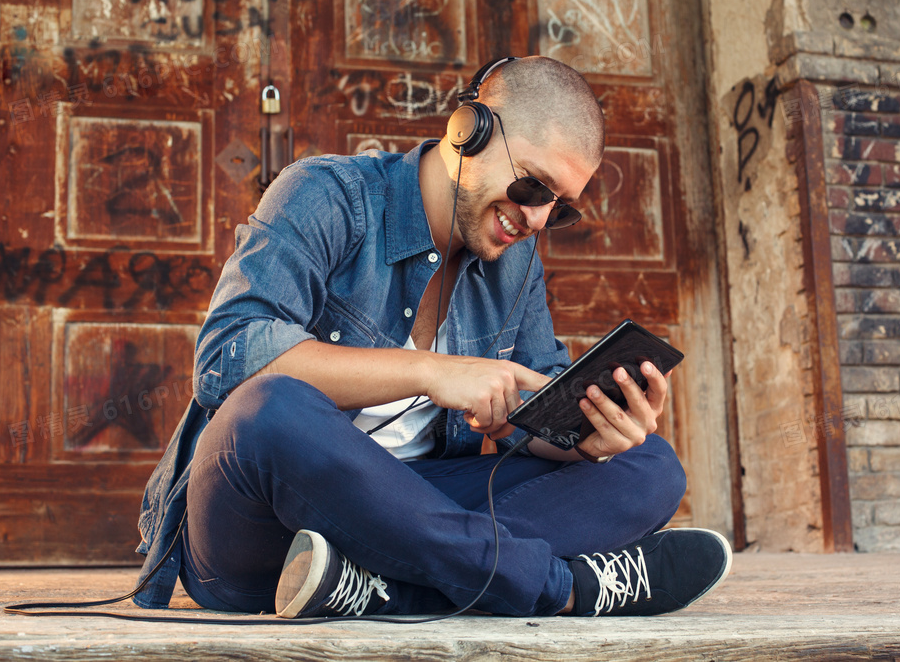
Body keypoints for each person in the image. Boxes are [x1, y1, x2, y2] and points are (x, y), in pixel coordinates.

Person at [133, 56, 732, 619]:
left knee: (650, 465)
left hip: (414, 512)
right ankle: (561, 587)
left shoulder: (516, 268)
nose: (539, 219)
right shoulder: (327, 195)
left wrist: (587, 435)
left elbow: (538, 427)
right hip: (262, 535)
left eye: (562, 207)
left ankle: (384, 592)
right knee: (268, 408)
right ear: (467, 130)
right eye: (534, 187)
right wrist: (430, 372)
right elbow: (228, 358)